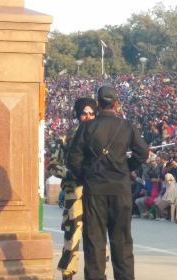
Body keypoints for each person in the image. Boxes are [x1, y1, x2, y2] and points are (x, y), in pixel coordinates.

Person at [68, 86, 149, 280]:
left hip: (95, 189)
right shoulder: (126, 126)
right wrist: (126, 168)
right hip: (120, 188)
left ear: (97, 104)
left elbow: (73, 159)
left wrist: (86, 176)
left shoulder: (87, 127)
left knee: (94, 241)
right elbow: (143, 153)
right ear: (116, 103)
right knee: (122, 241)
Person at [56, 98, 97, 280]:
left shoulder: (101, 137)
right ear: (78, 114)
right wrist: (72, 174)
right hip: (75, 193)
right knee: (72, 238)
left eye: (91, 113)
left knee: (96, 239)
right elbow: (54, 164)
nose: (88, 117)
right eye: (84, 113)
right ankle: (68, 274)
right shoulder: (66, 138)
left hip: (96, 192)